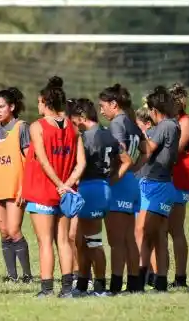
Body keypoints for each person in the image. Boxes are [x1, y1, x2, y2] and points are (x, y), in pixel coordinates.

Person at [21, 76, 85, 298]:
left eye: (39, 102)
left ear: (46, 102)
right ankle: (67, 289)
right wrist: (67, 185)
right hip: (65, 193)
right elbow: (82, 163)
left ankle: (47, 289)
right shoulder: (73, 126)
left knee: (45, 242)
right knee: (64, 240)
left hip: (43, 191)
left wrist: (58, 184)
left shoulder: (37, 127)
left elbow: (43, 159)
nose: (37, 106)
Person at [67, 97, 130, 297]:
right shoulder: (109, 135)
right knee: (82, 240)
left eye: (74, 120)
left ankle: (100, 287)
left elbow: (80, 165)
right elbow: (126, 160)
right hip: (101, 188)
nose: (73, 124)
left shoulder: (86, 138)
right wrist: (110, 181)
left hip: (90, 189)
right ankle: (83, 285)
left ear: (82, 116)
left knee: (93, 241)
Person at [99, 83, 148, 294]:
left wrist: (111, 177)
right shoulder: (132, 123)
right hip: (131, 182)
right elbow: (145, 151)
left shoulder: (117, 124)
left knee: (116, 240)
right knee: (129, 238)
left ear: (114, 104)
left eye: (103, 106)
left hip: (119, 182)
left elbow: (120, 154)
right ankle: (135, 285)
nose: (101, 110)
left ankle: (116, 286)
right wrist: (135, 168)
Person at [0, 87, 34, 284]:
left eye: (1, 106)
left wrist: (25, 187)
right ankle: (11, 275)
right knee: (4, 232)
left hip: (15, 189)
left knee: (14, 230)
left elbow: (30, 161)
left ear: (11, 107)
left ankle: (27, 275)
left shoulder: (22, 127)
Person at [136, 86, 181, 293]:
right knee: (157, 236)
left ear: (155, 110)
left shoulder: (165, 126)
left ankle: (139, 279)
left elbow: (148, 148)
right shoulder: (171, 125)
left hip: (156, 186)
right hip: (160, 184)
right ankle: (160, 282)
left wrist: (134, 134)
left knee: (142, 233)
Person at [169, 82, 189, 289]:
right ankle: (157, 277)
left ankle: (180, 278)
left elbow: (175, 150)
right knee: (158, 230)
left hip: (179, 181)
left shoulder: (186, 122)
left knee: (175, 229)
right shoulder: (169, 121)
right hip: (164, 180)